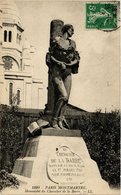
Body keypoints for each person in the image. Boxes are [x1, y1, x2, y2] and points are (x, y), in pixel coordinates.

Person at [48, 24, 80, 130]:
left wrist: (69, 65)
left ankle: (60, 121)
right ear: (66, 30)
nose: (73, 32)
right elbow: (50, 55)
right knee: (63, 96)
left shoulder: (73, 43)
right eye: (72, 29)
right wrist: (59, 62)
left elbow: (76, 58)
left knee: (66, 99)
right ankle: (54, 120)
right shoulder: (57, 41)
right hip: (57, 72)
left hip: (68, 72)